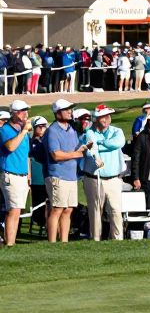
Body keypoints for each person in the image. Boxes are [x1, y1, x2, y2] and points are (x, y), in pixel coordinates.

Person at [44, 98, 88, 243]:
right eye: (66, 109)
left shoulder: (72, 130)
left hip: (71, 175)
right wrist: (76, 154)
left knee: (68, 209)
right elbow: (56, 154)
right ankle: (52, 242)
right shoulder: (52, 130)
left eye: (71, 109)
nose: (70, 112)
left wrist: (83, 149)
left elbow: (75, 149)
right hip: (57, 174)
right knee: (57, 209)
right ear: (57, 113)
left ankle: (64, 241)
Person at [80, 104, 126, 241]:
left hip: (114, 178)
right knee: (95, 212)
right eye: (102, 117)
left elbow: (118, 143)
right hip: (94, 178)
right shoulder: (89, 132)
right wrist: (98, 147)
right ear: (96, 119)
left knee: (116, 211)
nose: (106, 119)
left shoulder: (117, 131)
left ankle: (118, 239)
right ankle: (96, 239)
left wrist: (100, 143)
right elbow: (90, 150)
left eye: (108, 116)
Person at [0, 100, 33, 247]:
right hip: (10, 173)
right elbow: (11, 147)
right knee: (13, 209)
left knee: (17, 209)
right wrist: (24, 131)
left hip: (22, 175)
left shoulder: (22, 131)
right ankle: (10, 243)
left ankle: (10, 242)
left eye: (26, 110)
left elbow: (26, 155)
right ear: (13, 114)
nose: (25, 113)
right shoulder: (5, 130)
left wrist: (28, 175)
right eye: (21, 111)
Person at [28, 116, 49, 228]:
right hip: (36, 178)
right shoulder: (30, 142)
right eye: (39, 126)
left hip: (47, 176)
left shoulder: (47, 141)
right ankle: (40, 221)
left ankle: (46, 223)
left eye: (44, 126)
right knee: (38, 203)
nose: (42, 129)